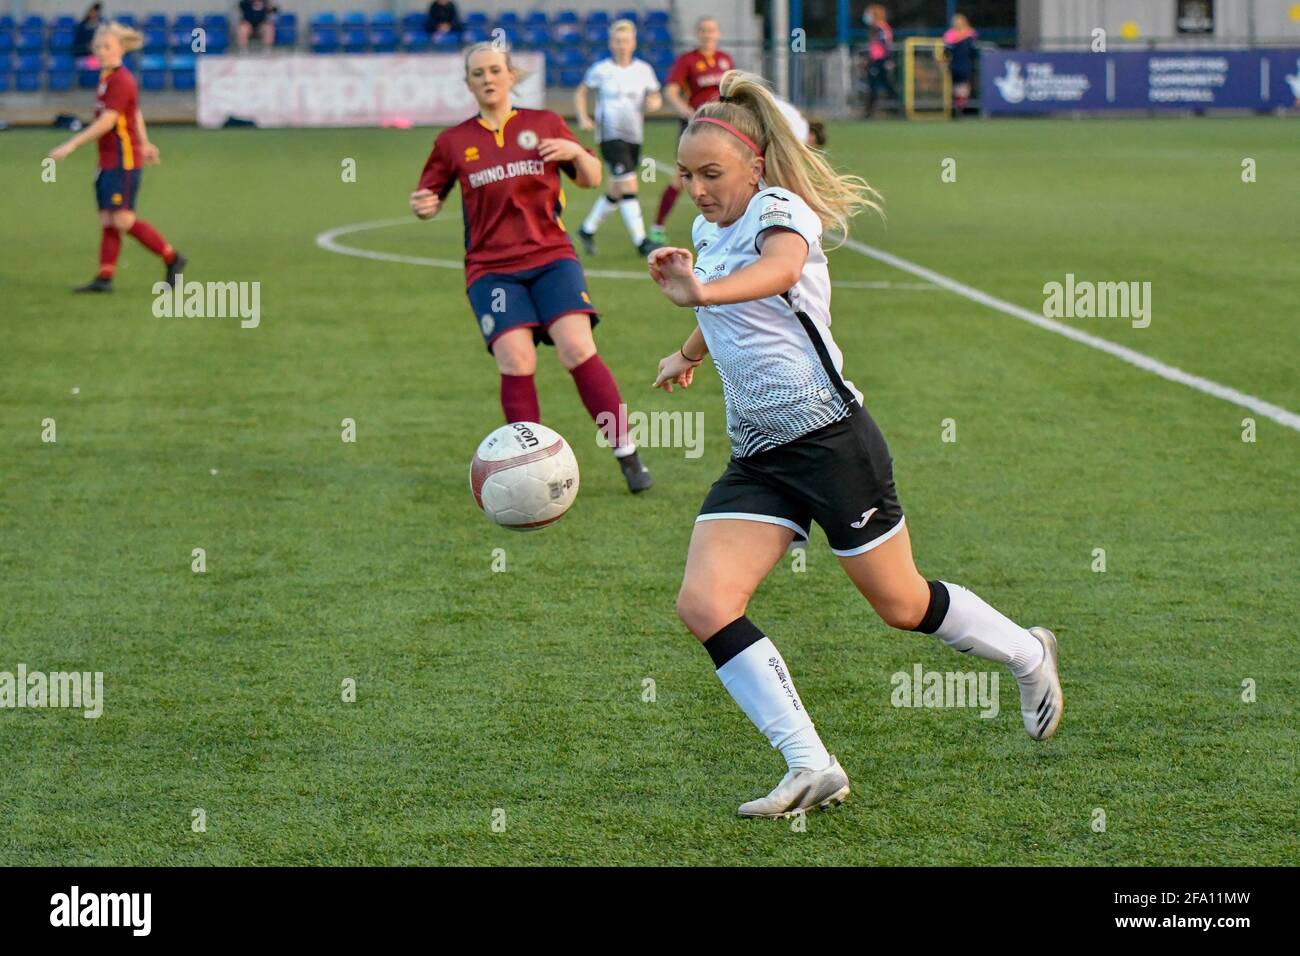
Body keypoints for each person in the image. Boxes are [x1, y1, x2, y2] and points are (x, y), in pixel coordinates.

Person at [646, 70, 1062, 818]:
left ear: (755, 165)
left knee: (902, 606)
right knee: (705, 603)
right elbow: (737, 310)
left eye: (711, 173)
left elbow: (776, 274)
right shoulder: (708, 229)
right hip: (760, 454)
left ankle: (1029, 655)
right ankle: (810, 764)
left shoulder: (782, 211)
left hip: (832, 443)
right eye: (686, 174)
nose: (697, 189)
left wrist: (701, 294)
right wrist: (690, 349)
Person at [410, 43, 653, 493]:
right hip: (491, 269)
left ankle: (626, 453)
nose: (487, 78)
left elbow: (592, 178)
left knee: (577, 348)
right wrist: (423, 205)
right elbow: (429, 196)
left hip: (551, 258)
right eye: (478, 73)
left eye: (495, 70)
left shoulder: (543, 123)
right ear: (468, 83)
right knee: (516, 357)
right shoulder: (452, 142)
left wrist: (576, 153)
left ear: (510, 76)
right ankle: (528, 467)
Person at [48, 21, 186, 293]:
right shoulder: (107, 78)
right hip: (108, 160)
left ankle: (172, 258)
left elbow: (108, 122)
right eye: (98, 46)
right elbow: (133, 113)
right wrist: (145, 142)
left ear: (121, 48)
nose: (101, 51)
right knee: (107, 218)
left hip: (123, 161)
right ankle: (105, 277)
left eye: (107, 46)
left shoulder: (121, 80)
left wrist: (72, 144)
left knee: (122, 218)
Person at [574, 19, 663, 257]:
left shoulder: (643, 70)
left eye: (626, 41)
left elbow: (655, 96)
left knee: (616, 189)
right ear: (611, 43)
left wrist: (654, 103)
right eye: (617, 41)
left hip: (634, 135)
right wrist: (583, 117)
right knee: (629, 185)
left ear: (633, 43)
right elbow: (581, 91)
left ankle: (587, 229)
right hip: (610, 136)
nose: (622, 45)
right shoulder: (601, 70)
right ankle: (642, 242)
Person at [651, 16, 734, 243]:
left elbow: (733, 90)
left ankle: (728, 223)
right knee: (681, 177)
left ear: (718, 34)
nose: (708, 34)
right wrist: (686, 111)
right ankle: (657, 227)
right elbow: (671, 91)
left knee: (724, 172)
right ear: (697, 34)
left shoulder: (725, 60)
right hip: (695, 127)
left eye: (712, 30)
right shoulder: (687, 60)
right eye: (703, 30)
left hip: (721, 126)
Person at [862, 4, 898, 117]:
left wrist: (889, 59)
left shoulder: (881, 28)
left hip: (880, 60)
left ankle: (896, 107)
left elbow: (886, 45)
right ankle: (870, 111)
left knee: (879, 84)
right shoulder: (876, 28)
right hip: (876, 60)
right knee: (879, 83)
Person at [943, 13, 978, 118]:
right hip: (964, 65)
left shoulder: (950, 35)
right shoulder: (969, 34)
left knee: (955, 87)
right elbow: (973, 52)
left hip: (954, 65)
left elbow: (946, 52)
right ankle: (959, 109)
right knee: (963, 88)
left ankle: (955, 108)